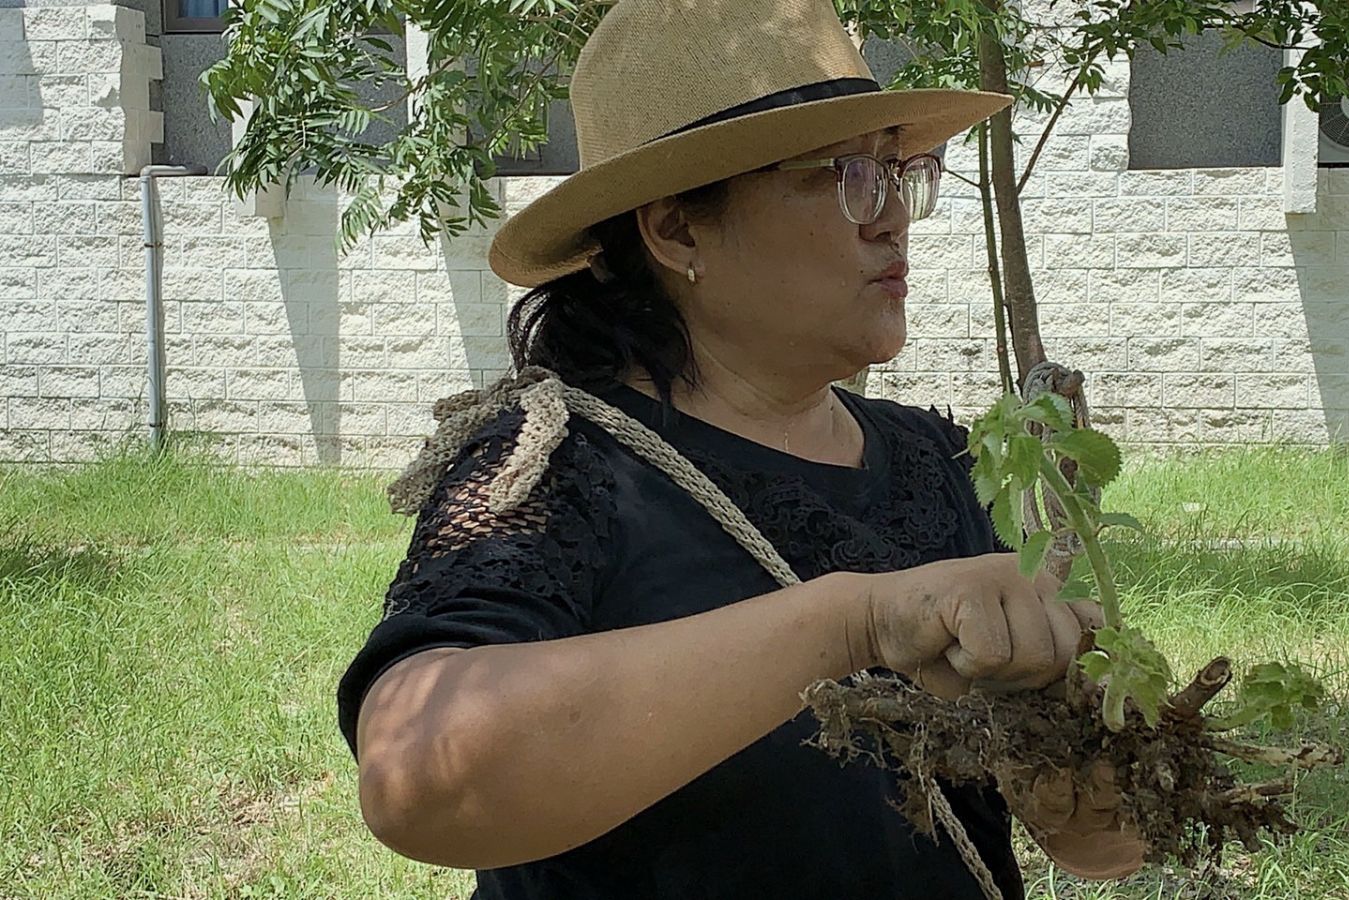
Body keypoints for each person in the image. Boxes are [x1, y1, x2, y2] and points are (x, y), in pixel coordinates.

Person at [336, 0, 1147, 897]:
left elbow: (1104, 849)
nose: (893, 220)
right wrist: (854, 623)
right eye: (847, 176)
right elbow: (418, 777)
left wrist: (1078, 758)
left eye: (899, 171)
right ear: (678, 228)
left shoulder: (944, 465)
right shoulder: (550, 464)